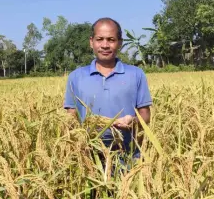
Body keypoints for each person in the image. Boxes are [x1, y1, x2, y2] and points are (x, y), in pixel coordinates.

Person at [63, 17, 152, 161]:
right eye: (100, 39)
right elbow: (70, 117)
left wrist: (133, 121)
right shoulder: (76, 77)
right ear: (91, 42)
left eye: (111, 40)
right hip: (88, 159)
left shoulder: (136, 74)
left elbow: (145, 115)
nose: (105, 45)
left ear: (120, 43)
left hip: (128, 158)